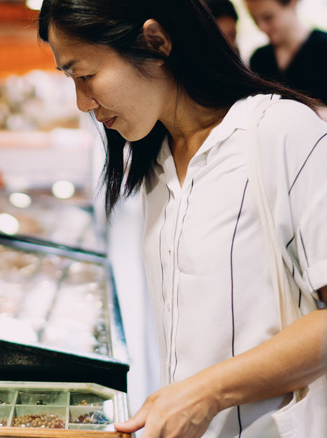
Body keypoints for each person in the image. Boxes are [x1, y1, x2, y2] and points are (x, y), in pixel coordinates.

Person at [37, 0, 327, 437]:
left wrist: (207, 392)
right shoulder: (154, 164)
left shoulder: (281, 131)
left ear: (155, 42)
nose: (81, 102)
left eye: (85, 75)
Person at [245, 0, 327, 118]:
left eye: (268, 17)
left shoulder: (323, 47)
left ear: (292, 3)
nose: (262, 27)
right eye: (255, 20)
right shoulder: (259, 59)